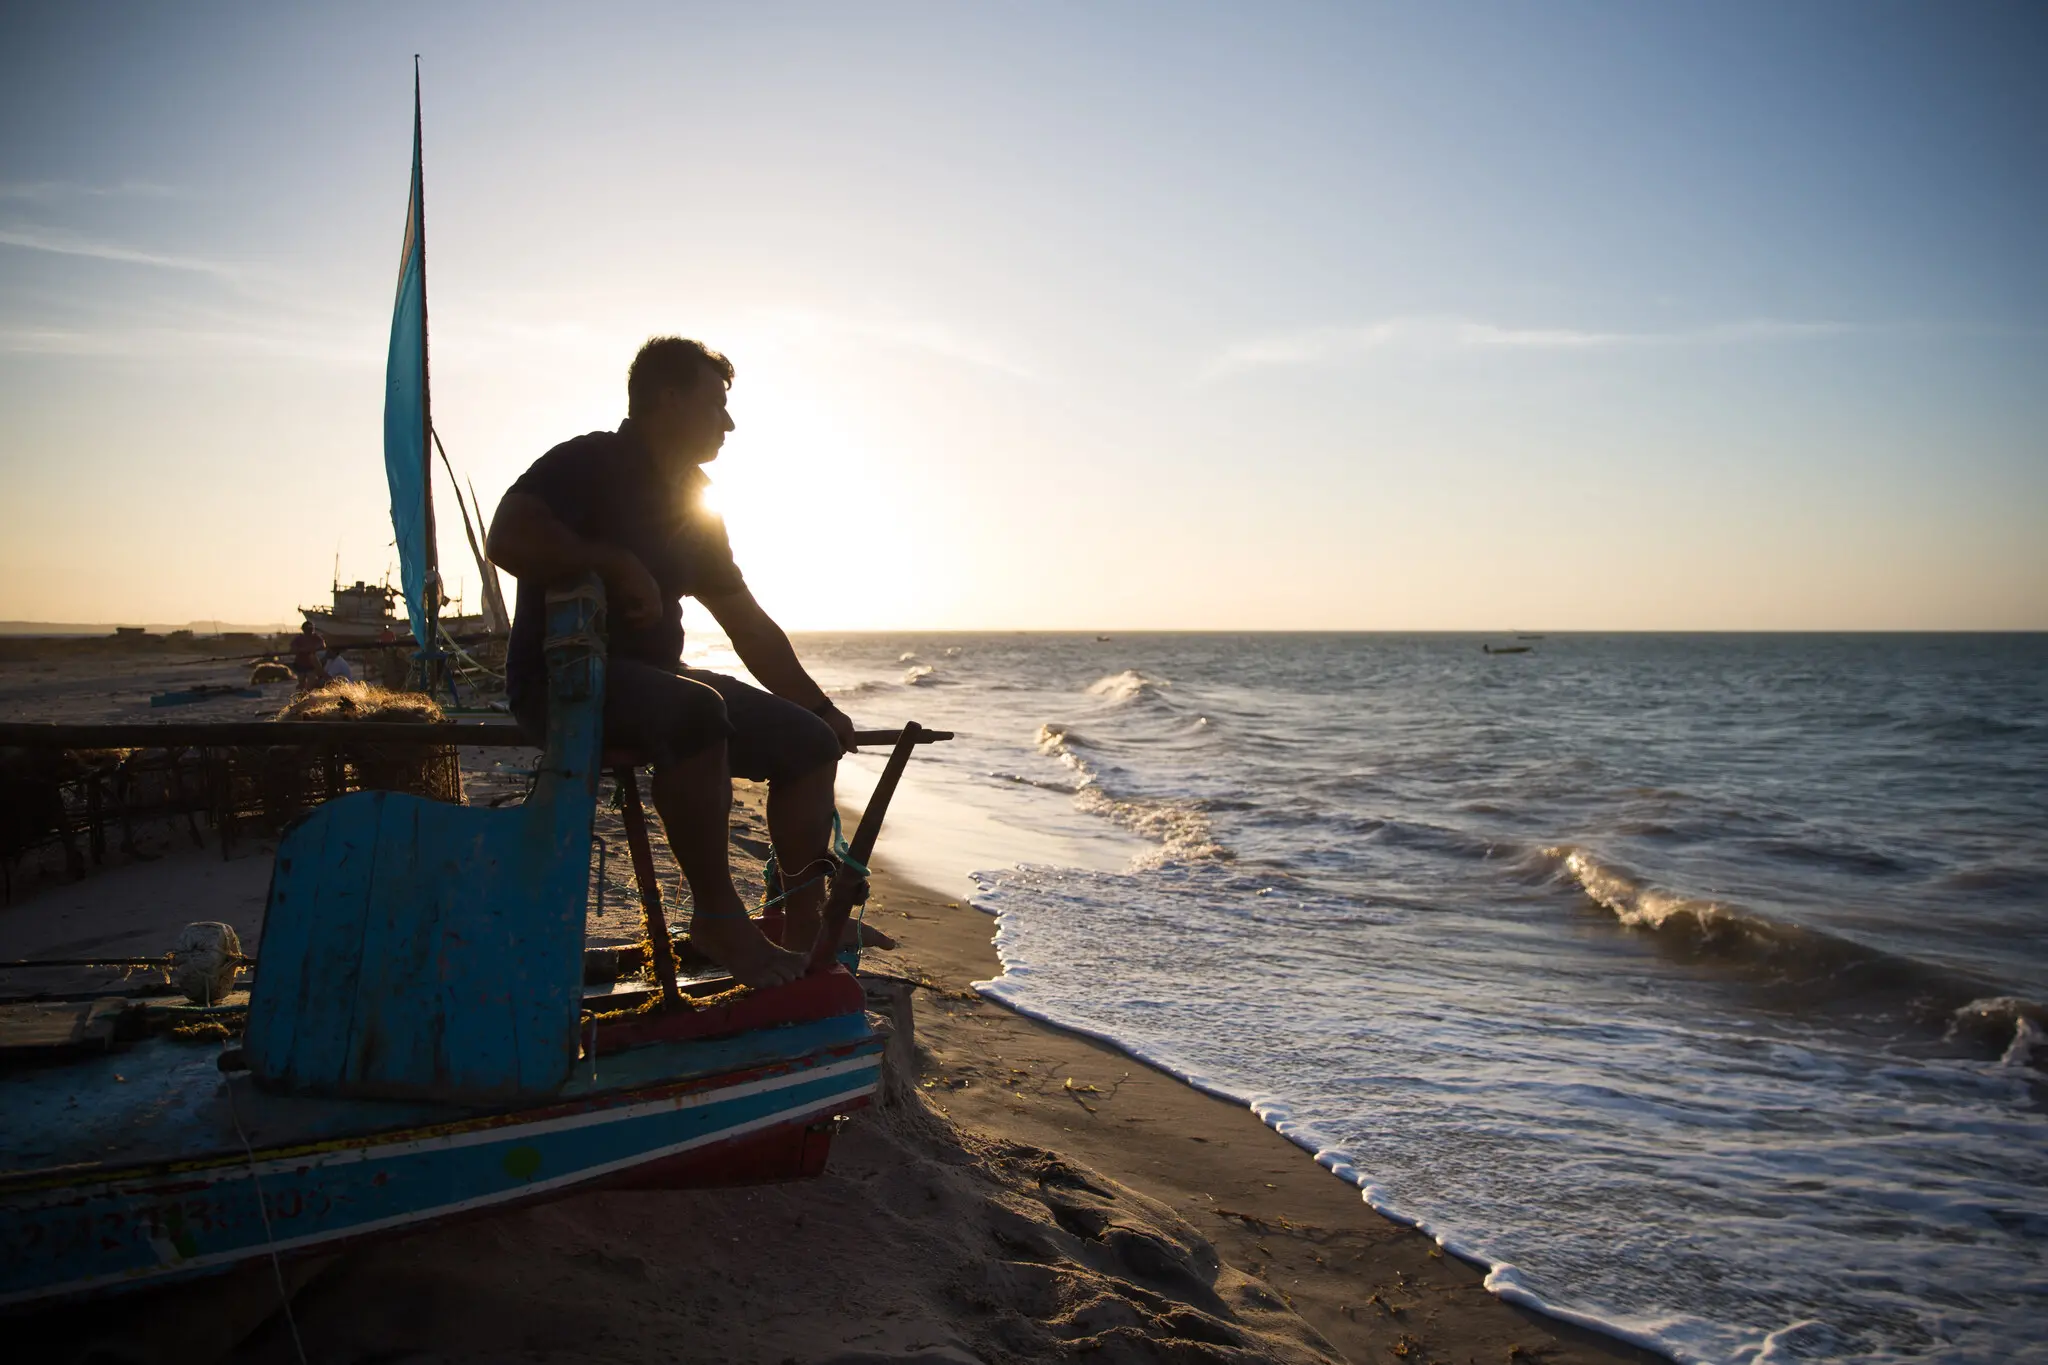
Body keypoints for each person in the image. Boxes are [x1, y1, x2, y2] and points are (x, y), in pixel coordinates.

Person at [486, 336, 857, 989]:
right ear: (670, 397)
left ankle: (801, 940)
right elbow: (506, 535)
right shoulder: (588, 461)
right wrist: (610, 560)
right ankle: (717, 916)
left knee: (809, 742)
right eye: (718, 403)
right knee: (695, 710)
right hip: (563, 683)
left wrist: (820, 705)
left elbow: (746, 623)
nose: (729, 422)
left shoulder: (697, 504)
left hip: (655, 682)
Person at [290, 621, 327, 693]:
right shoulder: (298, 639)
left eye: (311, 629)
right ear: (303, 629)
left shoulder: (316, 638)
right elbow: (292, 648)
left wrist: (314, 648)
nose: (309, 631)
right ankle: (301, 696)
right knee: (301, 683)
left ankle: (309, 695)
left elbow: (322, 645)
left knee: (311, 683)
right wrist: (302, 650)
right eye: (308, 629)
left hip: (311, 665)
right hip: (300, 664)